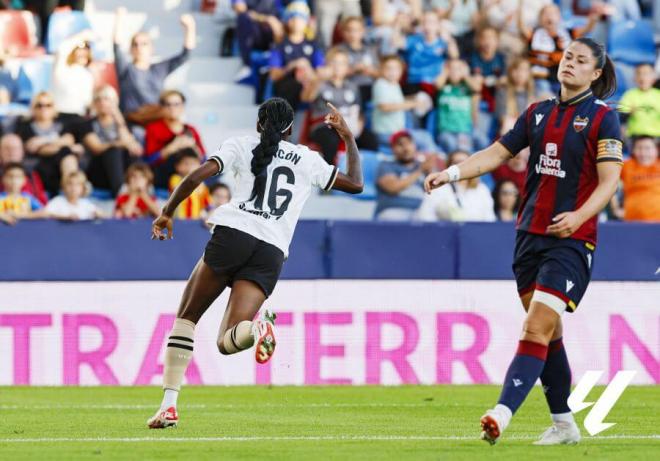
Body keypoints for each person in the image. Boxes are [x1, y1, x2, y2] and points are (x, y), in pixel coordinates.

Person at [424, 37, 622, 445]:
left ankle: (502, 412)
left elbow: (610, 182)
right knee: (548, 334)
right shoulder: (537, 113)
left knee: (535, 327)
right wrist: (453, 173)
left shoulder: (603, 118)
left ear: (595, 73)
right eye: (567, 56)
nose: (569, 64)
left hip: (572, 240)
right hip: (528, 238)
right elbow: (496, 154)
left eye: (580, 60)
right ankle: (564, 424)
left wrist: (580, 216)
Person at [146, 97, 363, 429]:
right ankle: (258, 327)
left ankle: (169, 405)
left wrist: (167, 212)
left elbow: (196, 176)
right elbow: (356, 184)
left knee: (187, 318)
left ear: (259, 124)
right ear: (290, 129)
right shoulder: (308, 159)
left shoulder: (241, 144)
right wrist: (347, 138)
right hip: (271, 250)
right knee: (229, 339)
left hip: (234, 235)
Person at [112, 7, 196, 125]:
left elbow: (185, 55)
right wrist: (119, 19)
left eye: (144, 44)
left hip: (156, 121)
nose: (139, 47)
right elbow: (116, 47)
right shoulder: (126, 69)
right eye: (135, 44)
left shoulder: (160, 68)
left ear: (152, 48)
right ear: (131, 49)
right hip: (132, 122)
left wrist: (190, 28)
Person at [303, 47, 375, 164]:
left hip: (349, 124)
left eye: (341, 63)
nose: (337, 66)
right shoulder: (320, 83)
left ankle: (364, 177)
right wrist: (318, 79)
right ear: (327, 64)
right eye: (334, 62)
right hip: (325, 125)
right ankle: (330, 178)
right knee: (331, 141)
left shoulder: (353, 87)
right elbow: (306, 98)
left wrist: (358, 126)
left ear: (347, 67)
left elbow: (359, 111)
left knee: (370, 140)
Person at [15, 91, 84, 197]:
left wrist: (42, 141)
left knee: (66, 154)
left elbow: (68, 139)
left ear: (54, 107)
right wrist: (67, 147)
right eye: (39, 105)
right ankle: (71, 194)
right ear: (33, 108)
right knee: (66, 152)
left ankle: (71, 193)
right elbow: (38, 149)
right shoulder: (26, 126)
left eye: (48, 105)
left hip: (61, 163)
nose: (44, 108)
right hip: (39, 166)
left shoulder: (61, 123)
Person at [519, 2, 598, 93]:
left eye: (553, 13)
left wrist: (593, 19)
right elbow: (521, 28)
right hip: (539, 78)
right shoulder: (534, 33)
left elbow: (586, 29)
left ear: (559, 17)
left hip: (561, 78)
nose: (549, 16)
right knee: (543, 89)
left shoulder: (567, 33)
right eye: (545, 13)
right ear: (540, 19)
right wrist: (520, 8)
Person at [82, 85, 144, 197]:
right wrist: (116, 144)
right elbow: (96, 148)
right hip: (98, 170)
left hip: (121, 169)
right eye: (98, 99)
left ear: (115, 102)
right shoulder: (87, 124)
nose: (102, 102)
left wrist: (118, 119)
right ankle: (120, 193)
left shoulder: (122, 123)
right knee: (113, 151)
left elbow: (130, 144)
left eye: (106, 99)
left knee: (133, 153)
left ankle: (139, 190)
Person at [371, 55, 438, 152]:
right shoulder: (381, 84)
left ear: (401, 71)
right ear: (381, 70)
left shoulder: (394, 84)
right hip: (386, 133)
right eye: (388, 68)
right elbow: (385, 107)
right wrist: (414, 104)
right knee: (425, 138)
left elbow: (398, 101)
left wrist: (413, 98)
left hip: (397, 131)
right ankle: (437, 162)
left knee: (422, 138)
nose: (392, 72)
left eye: (396, 68)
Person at [268, 1, 324, 112]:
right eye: (293, 17)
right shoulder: (279, 45)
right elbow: (274, 75)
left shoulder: (314, 44)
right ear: (287, 21)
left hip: (309, 82)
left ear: (306, 21)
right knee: (291, 86)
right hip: (288, 85)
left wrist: (307, 69)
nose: (297, 21)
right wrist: (292, 66)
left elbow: (321, 72)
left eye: (301, 18)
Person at [144, 90, 205, 189]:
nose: (172, 108)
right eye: (168, 105)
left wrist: (192, 146)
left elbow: (203, 159)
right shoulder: (154, 128)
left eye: (176, 104)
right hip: (164, 177)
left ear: (182, 107)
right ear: (162, 108)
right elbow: (149, 161)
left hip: (189, 175)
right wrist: (172, 147)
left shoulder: (191, 130)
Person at [418, 150, 496, 222]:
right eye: (456, 163)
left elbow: (489, 218)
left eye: (465, 162)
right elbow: (425, 215)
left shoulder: (482, 189)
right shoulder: (438, 188)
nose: (460, 166)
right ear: (448, 167)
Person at [375, 130, 435, 220]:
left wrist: (430, 172)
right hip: (393, 210)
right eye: (400, 144)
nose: (406, 148)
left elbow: (435, 194)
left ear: (414, 146)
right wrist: (420, 171)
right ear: (393, 149)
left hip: (420, 211)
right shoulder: (386, 165)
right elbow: (393, 187)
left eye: (409, 143)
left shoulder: (423, 166)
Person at [435, 58, 483, 153]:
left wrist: (465, 75)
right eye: (451, 68)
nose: (454, 71)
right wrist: (445, 72)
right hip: (445, 131)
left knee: (464, 149)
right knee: (451, 145)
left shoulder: (466, 87)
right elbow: (437, 84)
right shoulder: (443, 87)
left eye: (458, 69)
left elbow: (477, 88)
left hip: (464, 131)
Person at [232, 0, 284, 81]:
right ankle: (247, 65)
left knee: (294, 22)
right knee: (243, 18)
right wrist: (266, 19)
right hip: (255, 27)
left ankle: (276, 62)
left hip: (275, 26)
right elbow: (240, 8)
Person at [611, 136, 660, 222]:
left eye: (647, 148)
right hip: (632, 221)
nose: (643, 153)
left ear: (656, 150)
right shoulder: (627, 166)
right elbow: (608, 183)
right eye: (639, 148)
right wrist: (615, 208)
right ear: (633, 150)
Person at [52, 29, 95, 123]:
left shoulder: (88, 75)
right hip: (61, 116)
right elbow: (61, 49)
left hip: (80, 117)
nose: (83, 51)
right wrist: (82, 36)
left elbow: (88, 103)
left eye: (86, 47)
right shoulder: (62, 69)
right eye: (79, 47)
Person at [337, 16, 379, 104]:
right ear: (342, 32)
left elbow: (379, 73)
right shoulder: (338, 51)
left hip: (370, 88)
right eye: (348, 30)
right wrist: (354, 70)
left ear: (363, 31)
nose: (352, 34)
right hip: (347, 90)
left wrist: (370, 71)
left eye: (356, 30)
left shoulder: (370, 50)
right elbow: (333, 73)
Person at [0, 133, 48, 204]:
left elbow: (42, 204)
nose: (11, 152)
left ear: (22, 152)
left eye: (15, 148)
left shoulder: (31, 175)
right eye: (7, 148)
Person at [619, 63, 660, 138]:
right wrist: (629, 113)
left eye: (646, 74)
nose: (642, 77)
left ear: (654, 77)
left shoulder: (658, 95)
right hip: (635, 135)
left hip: (656, 136)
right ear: (634, 78)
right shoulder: (629, 95)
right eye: (639, 73)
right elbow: (621, 117)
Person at [168, 149, 210, 219]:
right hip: (179, 221)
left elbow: (208, 205)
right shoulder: (175, 179)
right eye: (186, 163)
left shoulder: (202, 185)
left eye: (194, 163)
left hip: (196, 222)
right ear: (178, 167)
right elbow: (179, 190)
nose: (190, 167)